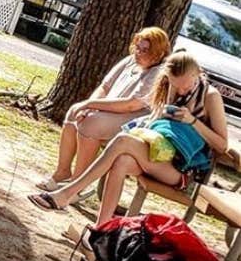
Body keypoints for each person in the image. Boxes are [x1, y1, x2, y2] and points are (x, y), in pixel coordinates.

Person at [28, 50, 228, 224]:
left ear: (198, 73)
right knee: (122, 161)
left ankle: (67, 193)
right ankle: (101, 228)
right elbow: (155, 121)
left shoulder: (210, 96)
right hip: (157, 152)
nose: (181, 90)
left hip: (182, 169)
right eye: (177, 86)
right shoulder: (169, 86)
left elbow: (222, 145)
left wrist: (192, 121)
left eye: (186, 86)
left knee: (123, 140)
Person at [36, 26, 171, 193]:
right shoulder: (130, 61)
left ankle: (77, 184)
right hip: (109, 110)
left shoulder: (158, 73)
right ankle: (62, 172)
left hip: (132, 119)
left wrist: (90, 105)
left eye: (145, 50)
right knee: (74, 112)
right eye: (138, 47)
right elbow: (105, 87)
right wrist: (88, 105)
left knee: (91, 124)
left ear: (158, 53)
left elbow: (131, 104)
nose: (139, 52)